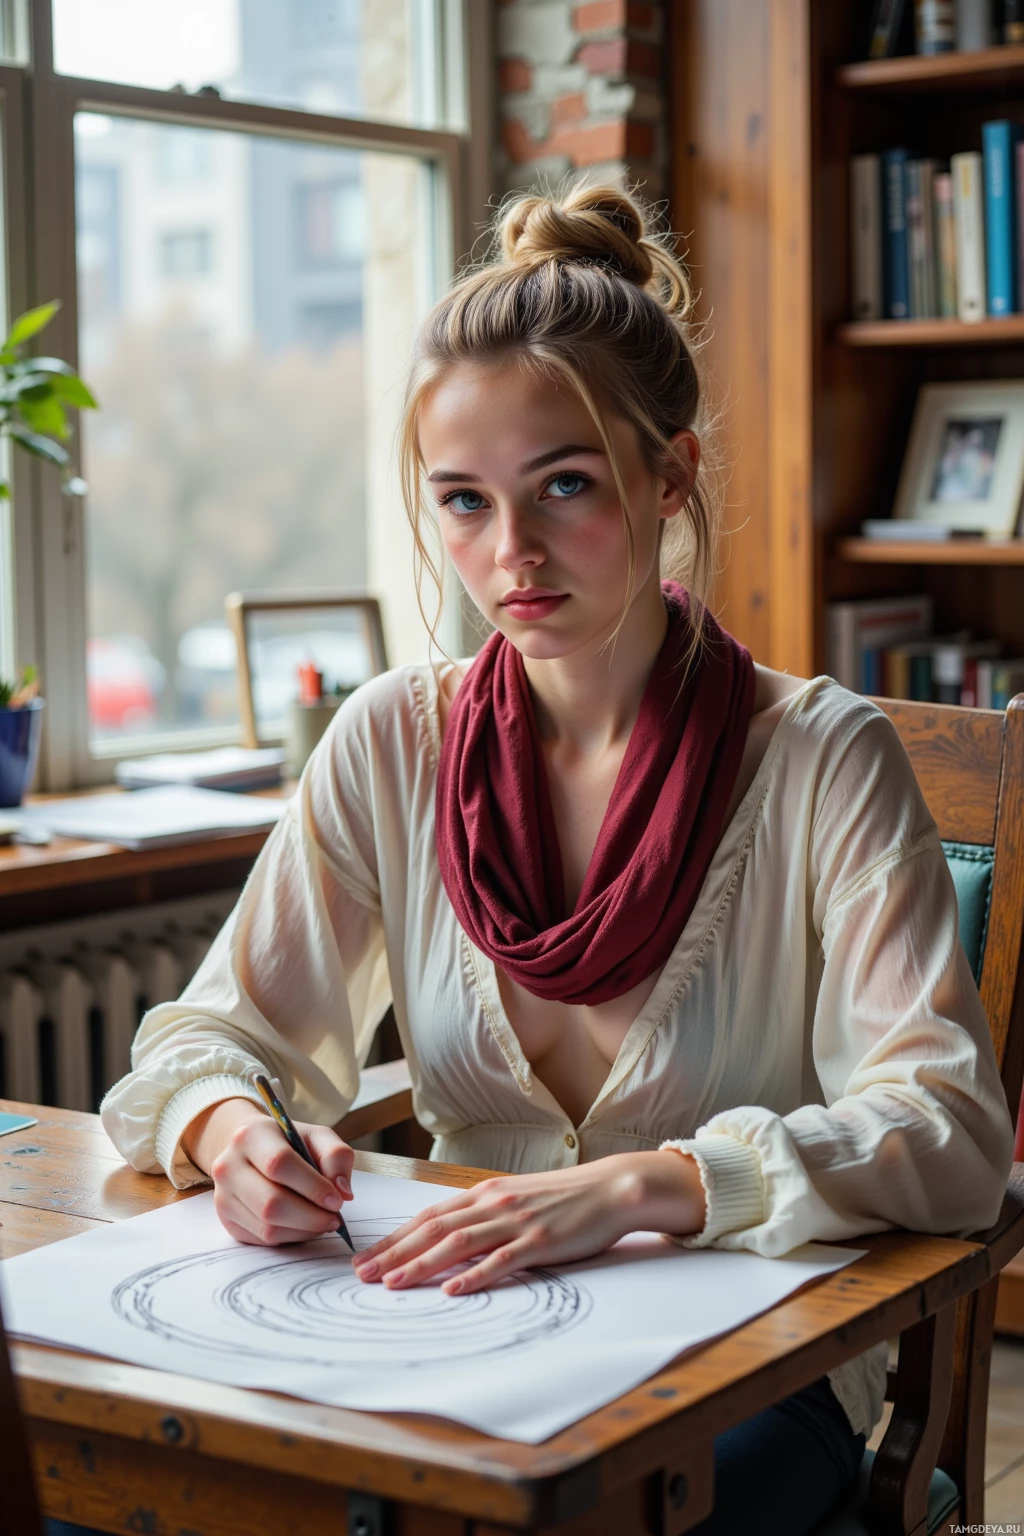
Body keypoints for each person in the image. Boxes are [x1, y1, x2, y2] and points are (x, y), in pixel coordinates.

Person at [89, 183, 1012, 1536]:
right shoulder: (389, 745)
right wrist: (231, 1135)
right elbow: (200, 1043)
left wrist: (651, 1185)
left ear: (670, 476)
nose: (507, 554)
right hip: (444, 1338)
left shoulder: (826, 758)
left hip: (756, 1369)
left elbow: (950, 1132)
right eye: (461, 503)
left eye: (563, 487)